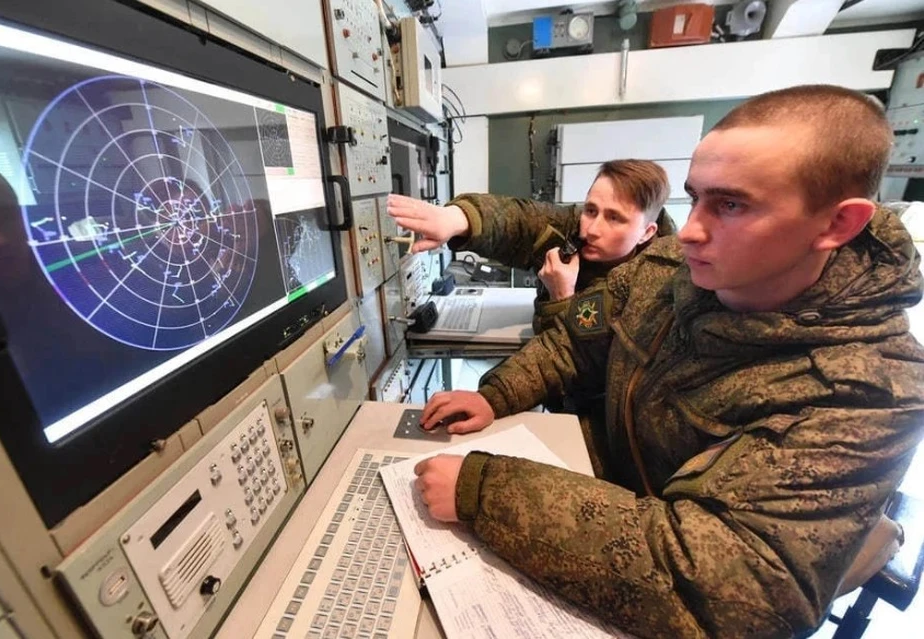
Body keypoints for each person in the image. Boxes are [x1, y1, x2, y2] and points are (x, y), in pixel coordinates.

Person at [412, 85, 924, 638]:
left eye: (731, 205)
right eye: (695, 198)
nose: (693, 230)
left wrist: (485, 493)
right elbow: (576, 343)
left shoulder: (869, 393)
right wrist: (495, 394)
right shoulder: (667, 269)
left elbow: (728, 590)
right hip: (612, 490)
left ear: (837, 225)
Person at [386, 159, 675, 336]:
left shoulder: (659, 291)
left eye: (614, 218)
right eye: (590, 210)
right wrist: (456, 219)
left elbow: (584, 363)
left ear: (646, 233)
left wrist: (561, 297)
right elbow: (520, 219)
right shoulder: (575, 226)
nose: (591, 229)